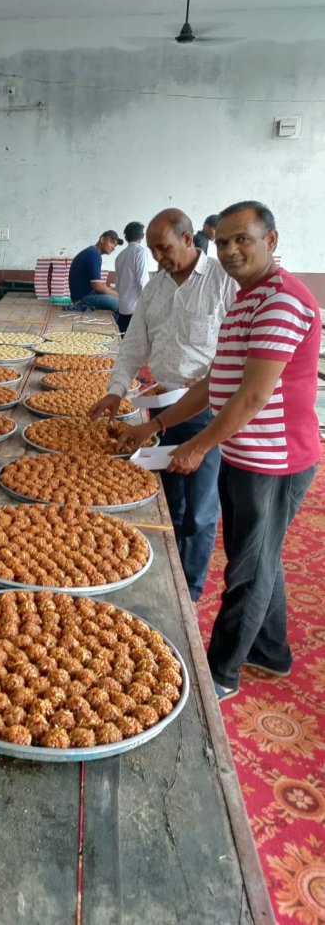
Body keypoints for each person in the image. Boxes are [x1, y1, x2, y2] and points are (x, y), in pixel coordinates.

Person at [116, 202, 321, 700]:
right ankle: (270, 650)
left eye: (242, 240)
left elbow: (251, 395)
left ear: (270, 241)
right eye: (224, 240)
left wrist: (198, 444)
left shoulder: (280, 301)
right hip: (245, 450)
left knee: (248, 567)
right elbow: (217, 380)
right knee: (259, 554)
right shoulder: (249, 298)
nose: (230, 250)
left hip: (274, 459)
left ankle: (222, 673)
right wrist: (160, 425)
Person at [90, 208, 237, 602]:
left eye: (165, 248)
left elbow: (236, 357)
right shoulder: (155, 287)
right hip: (160, 407)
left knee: (201, 510)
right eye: (153, 250)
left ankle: (187, 590)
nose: (158, 257)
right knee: (168, 493)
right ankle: (167, 572)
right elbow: (134, 343)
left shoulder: (224, 283)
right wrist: (116, 390)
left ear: (188, 239)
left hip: (206, 410)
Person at [68, 230, 122, 314]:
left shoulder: (92, 253)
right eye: (112, 242)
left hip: (85, 295)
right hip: (82, 299)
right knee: (121, 304)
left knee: (114, 296)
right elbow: (97, 286)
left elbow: (98, 285)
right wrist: (117, 294)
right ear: (102, 239)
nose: (113, 247)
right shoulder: (93, 255)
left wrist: (113, 291)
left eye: (115, 245)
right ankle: (120, 327)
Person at [113, 221, 150, 334]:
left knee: (123, 341)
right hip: (136, 310)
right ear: (142, 236)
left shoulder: (120, 256)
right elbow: (143, 282)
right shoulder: (140, 253)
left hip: (123, 308)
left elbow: (118, 286)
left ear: (126, 237)